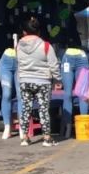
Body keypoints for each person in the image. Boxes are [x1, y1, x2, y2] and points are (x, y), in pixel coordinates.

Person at [16, 17, 61, 147]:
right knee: (43, 109)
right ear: (39, 32)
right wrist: (57, 79)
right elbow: (54, 65)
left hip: (25, 80)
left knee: (26, 109)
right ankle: (47, 138)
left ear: (24, 32)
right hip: (43, 82)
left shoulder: (18, 46)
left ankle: (25, 138)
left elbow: (18, 62)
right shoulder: (46, 46)